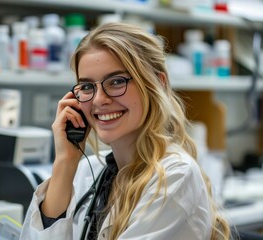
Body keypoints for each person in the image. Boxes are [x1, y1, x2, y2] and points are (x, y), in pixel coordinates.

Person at [20, 22, 231, 240]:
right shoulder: (85, 170)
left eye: (116, 81)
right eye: (87, 86)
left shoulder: (174, 177)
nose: (99, 100)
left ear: (157, 84)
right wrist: (64, 162)